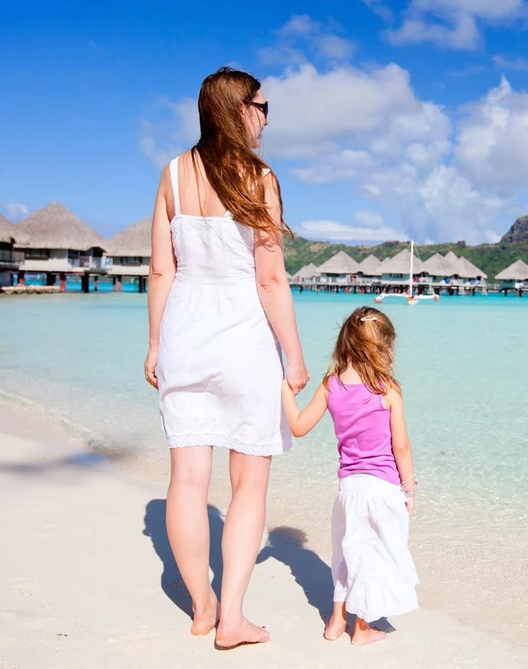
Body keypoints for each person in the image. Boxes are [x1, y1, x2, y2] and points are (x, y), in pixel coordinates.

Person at [143, 67, 310, 650]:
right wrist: (294, 355)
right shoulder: (260, 177)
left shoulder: (171, 174)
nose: (266, 118)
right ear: (239, 109)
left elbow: (162, 270)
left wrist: (156, 343)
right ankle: (232, 616)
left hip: (185, 332)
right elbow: (270, 279)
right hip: (244, 338)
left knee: (186, 481)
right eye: (263, 106)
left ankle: (201, 607)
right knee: (248, 487)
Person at [281, 306, 419, 645]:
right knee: (370, 555)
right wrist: (409, 488)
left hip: (348, 489)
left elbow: (298, 427)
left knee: (345, 553)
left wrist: (284, 388)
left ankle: (336, 621)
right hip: (382, 489)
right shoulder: (387, 390)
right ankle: (360, 629)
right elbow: (401, 446)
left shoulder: (331, 386)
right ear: (383, 347)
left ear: (345, 342)